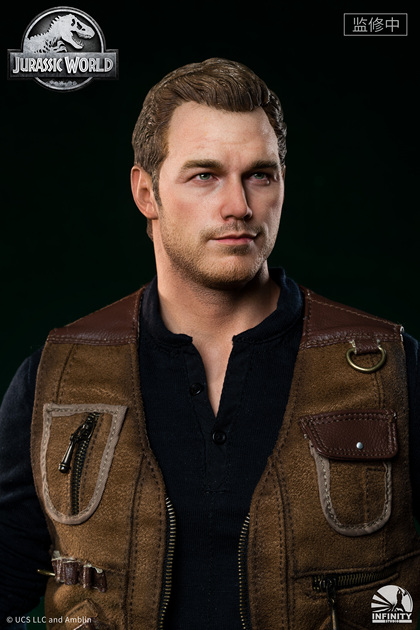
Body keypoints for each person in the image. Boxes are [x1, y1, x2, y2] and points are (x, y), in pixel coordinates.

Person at [0, 58, 419, 630]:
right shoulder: (58, 375)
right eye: (205, 175)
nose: (239, 206)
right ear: (146, 192)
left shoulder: (388, 367)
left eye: (260, 175)